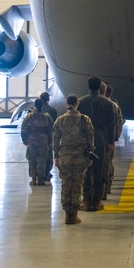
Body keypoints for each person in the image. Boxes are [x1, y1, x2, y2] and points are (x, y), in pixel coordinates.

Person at [52, 94, 95, 225]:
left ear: (67, 104)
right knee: (77, 185)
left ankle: (66, 214)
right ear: (78, 104)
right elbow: (90, 138)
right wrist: (90, 154)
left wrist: (56, 157)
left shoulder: (60, 120)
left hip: (64, 157)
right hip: (79, 157)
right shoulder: (84, 119)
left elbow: (55, 140)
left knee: (66, 185)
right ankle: (74, 215)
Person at [76, 75, 117, 211]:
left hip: (85, 138)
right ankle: (97, 201)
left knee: (86, 169)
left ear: (88, 86)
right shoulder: (108, 103)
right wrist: (111, 141)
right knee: (99, 170)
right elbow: (112, 124)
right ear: (100, 87)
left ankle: (86, 201)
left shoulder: (81, 102)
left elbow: (77, 123)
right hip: (100, 137)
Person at [20, 98, 54, 186]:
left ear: (35, 105)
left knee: (32, 159)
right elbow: (51, 130)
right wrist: (50, 141)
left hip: (31, 139)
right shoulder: (47, 116)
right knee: (42, 159)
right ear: (42, 105)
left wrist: (25, 140)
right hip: (43, 139)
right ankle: (41, 179)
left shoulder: (29, 116)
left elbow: (23, 129)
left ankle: (33, 179)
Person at [103, 84, 124, 199]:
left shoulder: (101, 104)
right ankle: (107, 188)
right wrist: (114, 139)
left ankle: (99, 191)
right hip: (109, 141)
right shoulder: (115, 106)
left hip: (100, 139)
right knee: (108, 164)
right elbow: (119, 123)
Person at [40, 92, 59, 180]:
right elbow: (55, 124)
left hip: (38, 135)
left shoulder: (37, 109)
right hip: (49, 135)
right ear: (48, 99)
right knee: (48, 155)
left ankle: (39, 173)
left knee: (39, 155)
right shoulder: (52, 110)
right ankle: (47, 172)